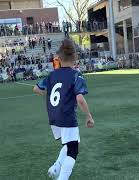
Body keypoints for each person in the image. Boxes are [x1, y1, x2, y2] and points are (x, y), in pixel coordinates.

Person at [33, 39, 94, 180]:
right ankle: (62, 178)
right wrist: (89, 116)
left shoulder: (52, 74)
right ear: (75, 57)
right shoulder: (76, 75)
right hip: (67, 116)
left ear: (59, 59)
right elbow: (80, 99)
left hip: (54, 117)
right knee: (73, 149)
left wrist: (48, 95)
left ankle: (55, 167)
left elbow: (36, 88)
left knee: (70, 142)